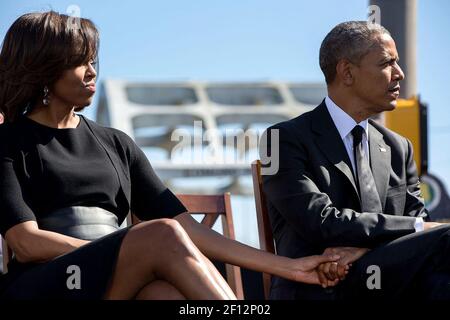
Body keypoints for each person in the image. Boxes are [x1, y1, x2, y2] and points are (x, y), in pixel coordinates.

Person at [0, 11, 343, 300]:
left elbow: (187, 230)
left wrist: (290, 266)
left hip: (115, 279)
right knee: (159, 235)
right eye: (78, 62)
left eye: (93, 60)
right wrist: (120, 249)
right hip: (47, 283)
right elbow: (27, 243)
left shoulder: (116, 143)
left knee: (168, 295)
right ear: (43, 69)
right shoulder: (7, 142)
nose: (92, 71)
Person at [261, 21, 450, 300]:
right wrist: (420, 228)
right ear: (347, 73)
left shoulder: (398, 148)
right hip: (321, 286)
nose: (400, 74)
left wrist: (365, 250)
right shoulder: (281, 140)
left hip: (392, 284)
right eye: (387, 63)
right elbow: (321, 223)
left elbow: (418, 231)